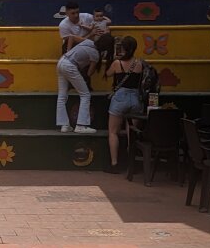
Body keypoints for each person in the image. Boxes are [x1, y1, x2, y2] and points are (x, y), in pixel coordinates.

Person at [105, 35, 145, 172]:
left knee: (113, 132)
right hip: (135, 98)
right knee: (131, 133)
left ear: (123, 48)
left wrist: (114, 57)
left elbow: (108, 74)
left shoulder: (117, 64)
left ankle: (114, 163)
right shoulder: (140, 63)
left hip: (120, 97)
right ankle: (131, 164)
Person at [56, 38, 99, 134]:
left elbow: (71, 37)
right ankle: (81, 125)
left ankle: (64, 125)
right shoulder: (95, 54)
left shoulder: (89, 42)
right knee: (85, 95)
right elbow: (89, 73)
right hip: (71, 66)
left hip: (62, 61)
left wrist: (68, 51)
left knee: (62, 96)